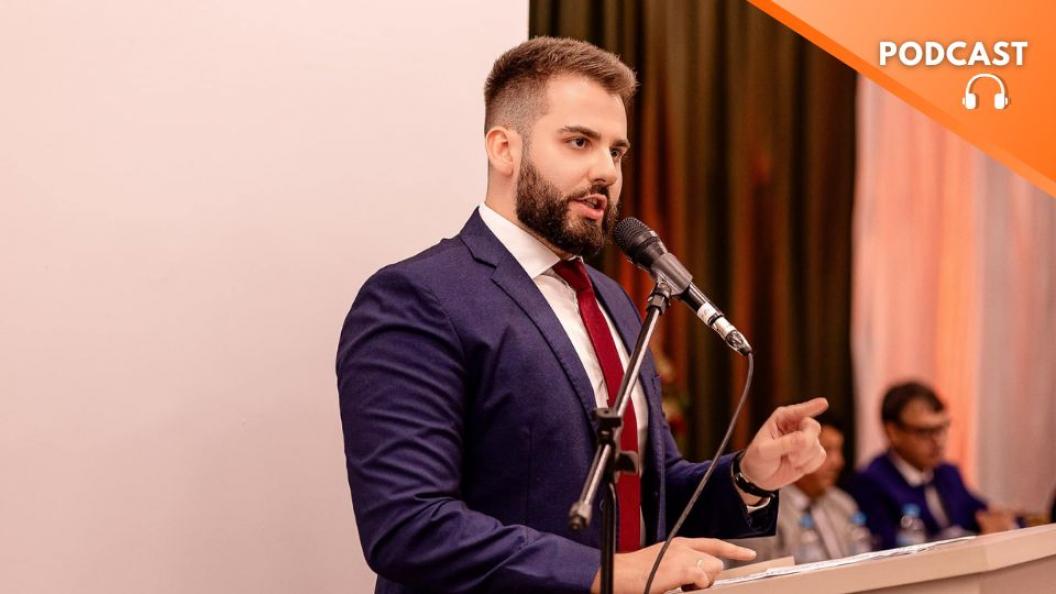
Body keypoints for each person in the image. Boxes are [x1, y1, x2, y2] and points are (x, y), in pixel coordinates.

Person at [337, 37, 829, 594]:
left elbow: (647, 492)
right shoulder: (418, 297)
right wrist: (602, 572)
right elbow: (408, 527)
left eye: (616, 152)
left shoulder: (612, 300)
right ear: (504, 149)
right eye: (579, 142)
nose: (606, 172)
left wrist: (747, 476)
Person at [852, 381, 1016, 549]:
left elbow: (985, 514)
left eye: (942, 428)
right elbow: (890, 553)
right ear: (893, 432)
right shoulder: (871, 483)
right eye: (925, 432)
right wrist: (982, 539)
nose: (938, 441)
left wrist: (1004, 521)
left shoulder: (947, 473)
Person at [730, 418, 864, 562]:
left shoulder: (843, 503)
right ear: (793, 454)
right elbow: (754, 570)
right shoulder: (761, 509)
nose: (838, 462)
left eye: (839, 450)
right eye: (826, 451)